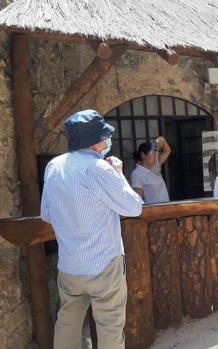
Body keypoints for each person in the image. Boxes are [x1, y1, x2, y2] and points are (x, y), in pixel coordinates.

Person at [40, 110, 143, 349]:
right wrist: (119, 173)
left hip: (69, 264)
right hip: (103, 263)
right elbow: (133, 207)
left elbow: (46, 214)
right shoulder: (99, 167)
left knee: (67, 323)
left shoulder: (53, 166)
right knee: (109, 326)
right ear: (98, 140)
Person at [131, 136, 171, 203]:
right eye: (153, 153)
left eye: (156, 153)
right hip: (153, 211)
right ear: (143, 155)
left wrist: (162, 140)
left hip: (166, 208)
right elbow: (138, 200)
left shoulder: (155, 166)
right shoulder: (137, 173)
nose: (156, 156)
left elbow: (167, 151)